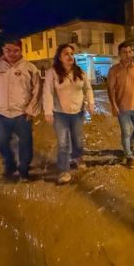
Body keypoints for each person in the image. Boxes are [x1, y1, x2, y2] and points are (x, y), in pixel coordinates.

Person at [0, 37, 42, 181]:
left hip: (22, 114)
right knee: (0, 142)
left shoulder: (30, 68)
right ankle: (9, 166)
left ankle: (23, 169)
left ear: (21, 51)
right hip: (1, 114)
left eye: (16, 50)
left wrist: (31, 110)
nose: (12, 53)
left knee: (25, 143)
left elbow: (37, 91)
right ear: (3, 50)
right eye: (8, 50)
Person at [42, 43, 94, 184]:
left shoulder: (80, 72)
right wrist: (48, 111)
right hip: (60, 114)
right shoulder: (52, 73)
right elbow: (47, 92)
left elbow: (88, 89)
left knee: (77, 139)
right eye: (66, 54)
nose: (70, 56)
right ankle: (64, 170)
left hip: (78, 113)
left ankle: (78, 157)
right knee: (63, 142)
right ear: (59, 57)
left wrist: (90, 102)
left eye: (72, 54)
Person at [107, 42, 134, 168]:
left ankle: (129, 146)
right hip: (122, 108)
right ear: (119, 54)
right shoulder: (114, 70)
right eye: (124, 52)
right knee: (126, 132)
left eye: (129, 51)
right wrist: (113, 105)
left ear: (132, 52)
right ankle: (129, 156)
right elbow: (110, 89)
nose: (127, 54)